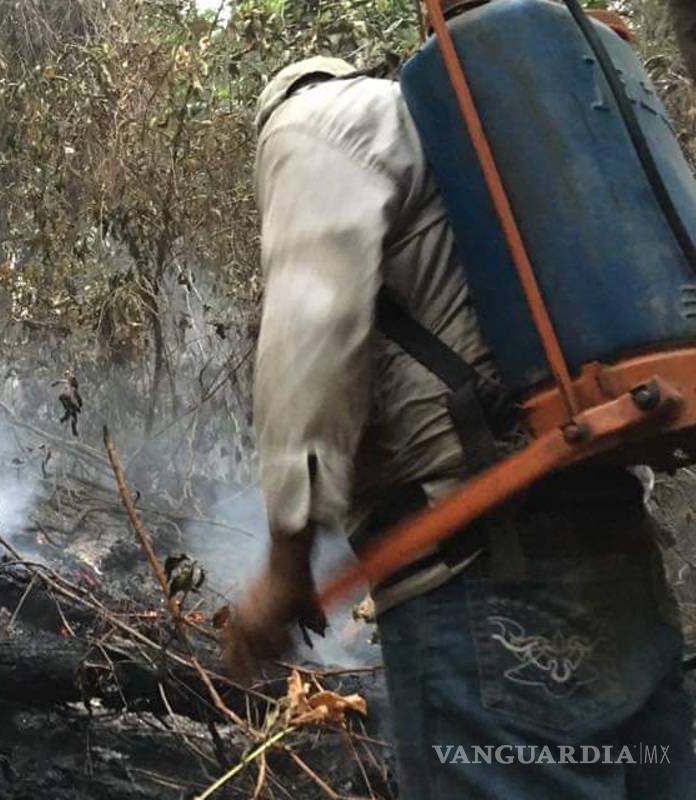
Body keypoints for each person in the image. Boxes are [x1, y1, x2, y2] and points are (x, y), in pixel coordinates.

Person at [220, 4, 696, 797]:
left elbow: (311, 328)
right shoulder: (452, 135)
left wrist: (284, 561)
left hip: (485, 580)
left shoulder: (312, 125)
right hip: (614, 554)